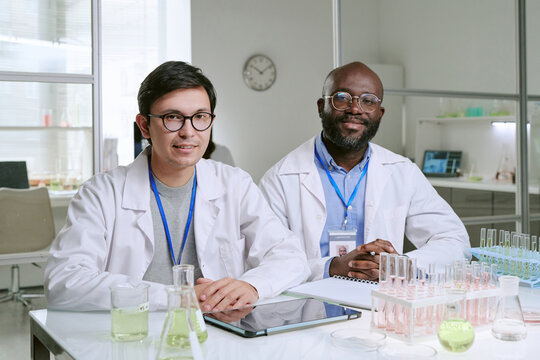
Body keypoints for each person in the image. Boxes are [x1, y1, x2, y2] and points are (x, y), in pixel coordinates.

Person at [45, 61, 309, 311]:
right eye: (173, 117)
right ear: (145, 126)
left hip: (218, 332)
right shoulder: (102, 193)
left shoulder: (234, 184)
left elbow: (291, 256)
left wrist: (252, 285)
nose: (189, 131)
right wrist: (176, 299)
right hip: (137, 331)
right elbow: (64, 282)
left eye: (200, 117)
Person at [259, 61, 470, 282]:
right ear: (322, 107)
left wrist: (401, 265)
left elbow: (454, 240)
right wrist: (330, 267)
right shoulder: (281, 178)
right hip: (308, 307)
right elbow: (265, 259)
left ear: (380, 113)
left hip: (383, 304)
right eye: (342, 98)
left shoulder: (403, 172)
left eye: (368, 101)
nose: (355, 109)